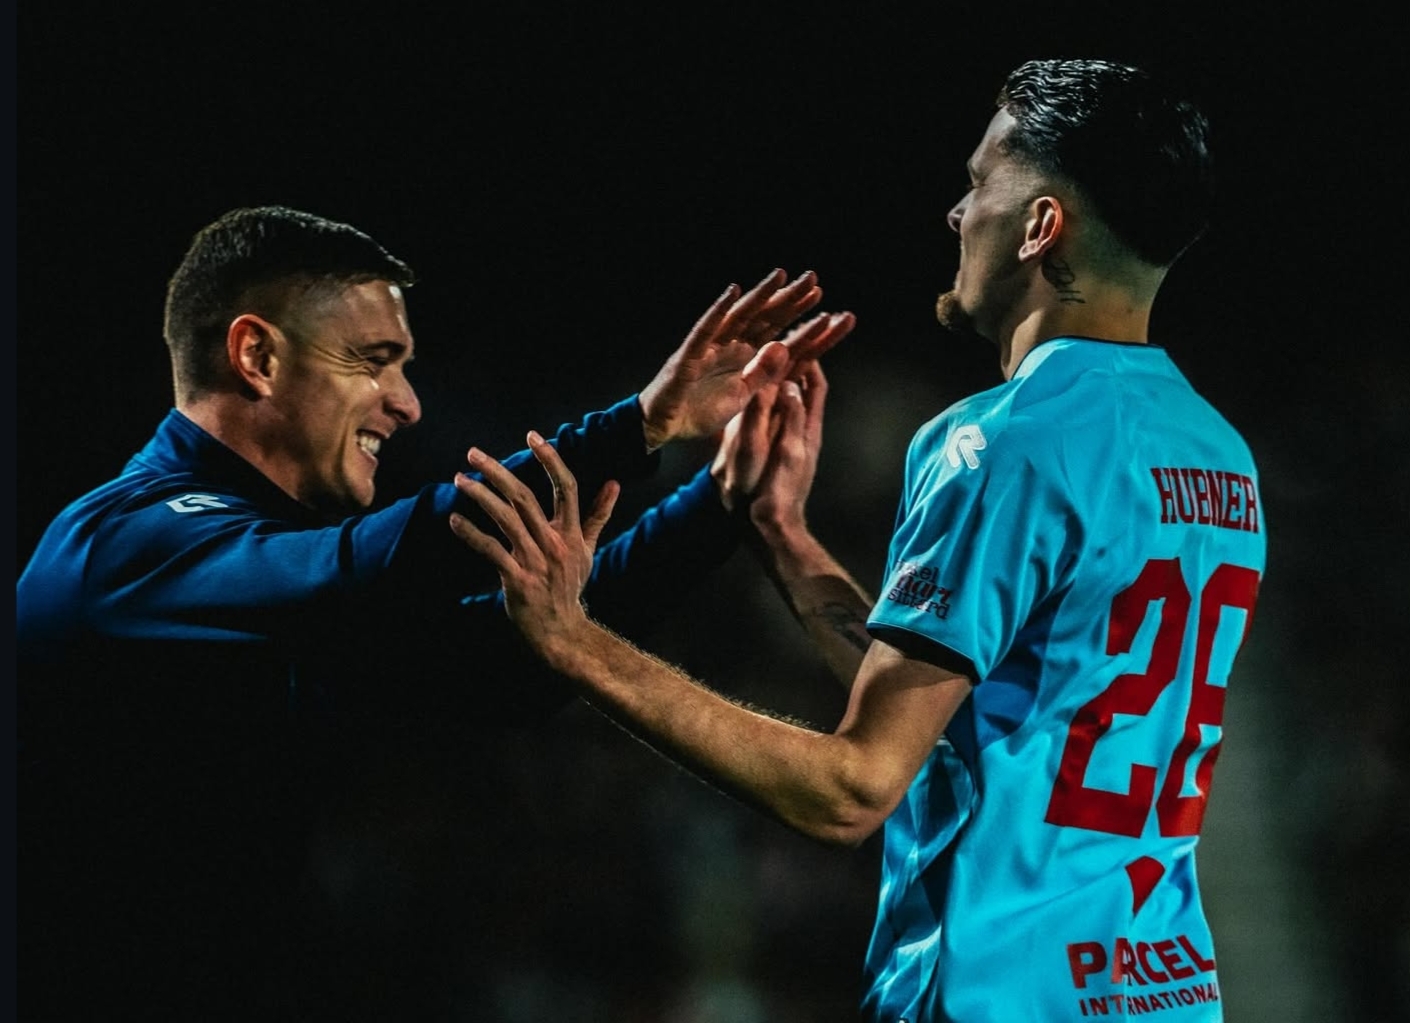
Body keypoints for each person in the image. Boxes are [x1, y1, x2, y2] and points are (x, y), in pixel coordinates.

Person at [451, 59, 1266, 1021]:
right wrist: (784, 537)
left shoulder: (1000, 441)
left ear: (1041, 225)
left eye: (979, 183)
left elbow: (853, 788)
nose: (958, 214)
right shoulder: (1219, 453)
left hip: (1002, 994)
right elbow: (970, 715)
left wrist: (574, 642)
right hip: (1162, 992)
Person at [15, 204, 855, 1019]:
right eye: (372, 360)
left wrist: (718, 502)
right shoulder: (123, 544)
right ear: (257, 356)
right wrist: (636, 426)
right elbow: (362, 564)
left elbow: (508, 664)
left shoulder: (250, 578)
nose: (407, 402)